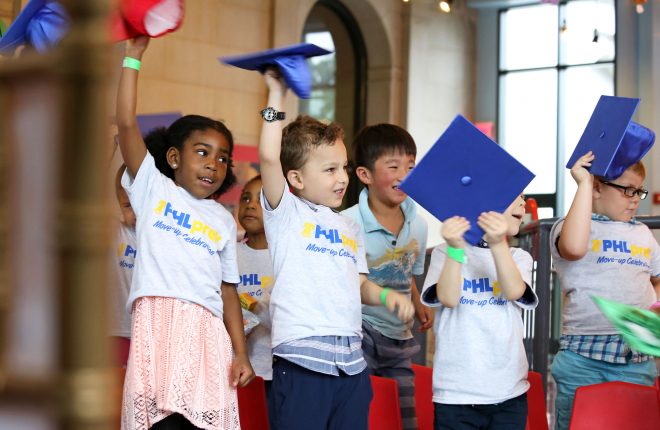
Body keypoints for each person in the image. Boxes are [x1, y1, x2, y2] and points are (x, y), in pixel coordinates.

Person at [257, 68, 415, 430]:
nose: (342, 177)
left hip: (351, 364)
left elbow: (358, 285)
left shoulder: (348, 224)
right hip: (302, 361)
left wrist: (388, 297)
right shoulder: (286, 213)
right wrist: (275, 96)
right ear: (296, 178)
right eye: (329, 169)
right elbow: (269, 157)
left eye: (342, 167)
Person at [116, 36, 254, 430]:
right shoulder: (152, 189)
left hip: (206, 334)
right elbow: (127, 122)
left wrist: (240, 353)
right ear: (174, 157)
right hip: (157, 324)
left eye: (223, 158)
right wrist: (133, 58)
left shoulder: (223, 221)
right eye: (202, 152)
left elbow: (228, 291)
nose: (214, 163)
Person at [550, 151, 660, 430]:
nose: (635, 198)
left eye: (639, 191)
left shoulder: (643, 234)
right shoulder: (573, 226)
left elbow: (657, 276)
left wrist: (652, 312)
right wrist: (584, 185)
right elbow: (573, 248)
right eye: (627, 190)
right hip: (582, 359)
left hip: (635, 358)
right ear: (598, 188)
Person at [422, 194, 538, 430]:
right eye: (516, 196)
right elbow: (449, 298)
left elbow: (515, 290)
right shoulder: (444, 253)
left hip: (509, 395)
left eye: (524, 198)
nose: (523, 204)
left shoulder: (518, 256)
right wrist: (456, 249)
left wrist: (497, 244)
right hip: (455, 396)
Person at [342, 123, 431, 430]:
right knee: (360, 412)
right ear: (365, 175)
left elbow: (408, 273)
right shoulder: (346, 224)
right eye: (393, 166)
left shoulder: (418, 225)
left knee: (405, 416)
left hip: (400, 337)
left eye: (410, 166)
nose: (404, 175)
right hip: (360, 331)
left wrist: (417, 302)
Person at [235, 175, 275, 400]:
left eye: (261, 201)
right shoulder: (231, 254)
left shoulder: (285, 257)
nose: (250, 204)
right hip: (238, 366)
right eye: (246, 198)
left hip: (274, 368)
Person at [110, 164, 137, 368]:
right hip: (117, 330)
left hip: (151, 333)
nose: (136, 212)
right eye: (128, 205)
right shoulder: (115, 232)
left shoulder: (166, 238)